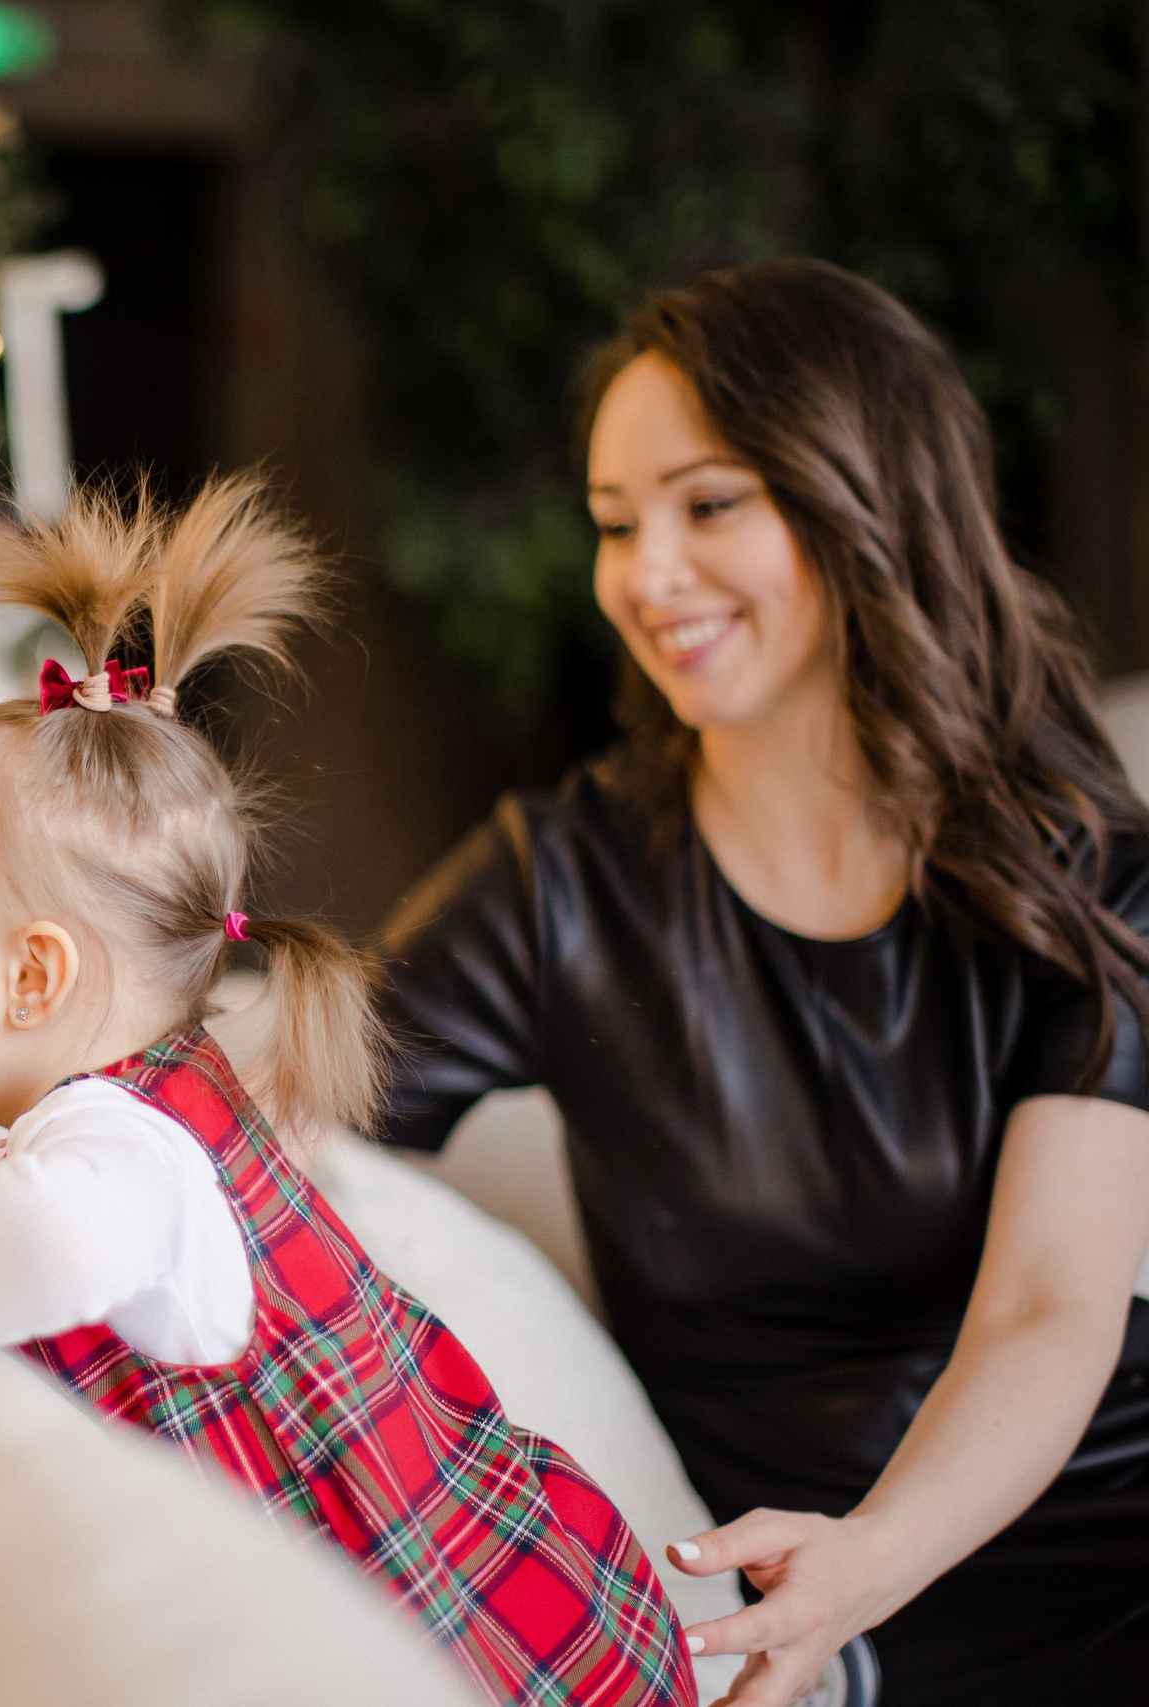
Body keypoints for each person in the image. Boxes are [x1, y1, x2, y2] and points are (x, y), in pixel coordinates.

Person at [0, 481, 694, 1707]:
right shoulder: (156, 1104)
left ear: (34, 976)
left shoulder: (113, 1149)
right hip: (495, 1593)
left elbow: (57, 1234)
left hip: (457, 1640)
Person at [376, 259, 1149, 1707]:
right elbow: (275, 1116)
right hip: (783, 1614)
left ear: (866, 498)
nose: (648, 573)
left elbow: (1051, 1305)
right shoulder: (557, 883)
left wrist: (862, 1563)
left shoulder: (1085, 871)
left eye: (709, 504)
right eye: (617, 523)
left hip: (1095, 1551)